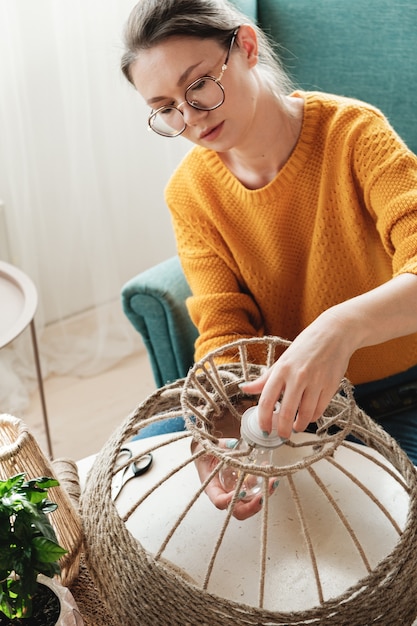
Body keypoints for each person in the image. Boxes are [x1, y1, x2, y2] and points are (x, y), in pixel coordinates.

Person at [121, 0, 417, 519]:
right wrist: (218, 418)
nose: (190, 117)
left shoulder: (355, 135)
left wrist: (339, 329)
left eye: (198, 85)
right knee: (140, 472)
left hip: (404, 395)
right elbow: (223, 325)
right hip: (286, 407)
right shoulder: (190, 194)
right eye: (166, 107)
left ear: (248, 48)